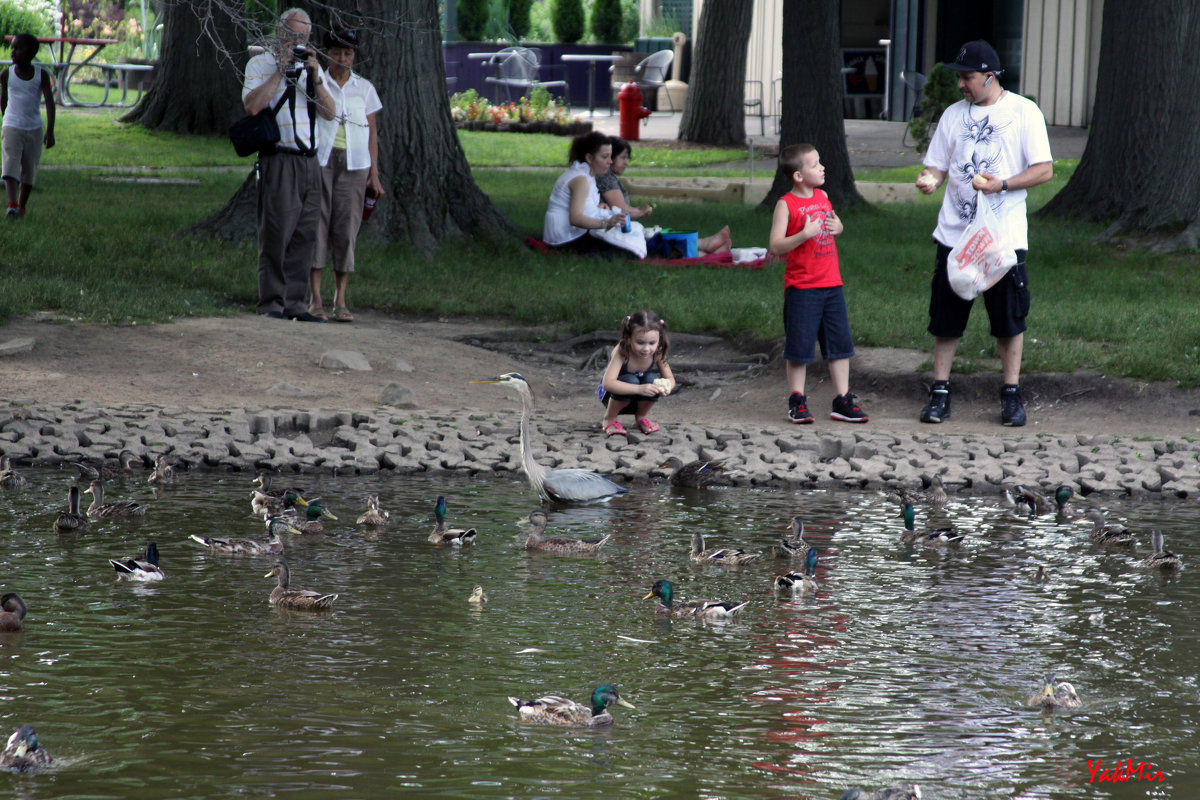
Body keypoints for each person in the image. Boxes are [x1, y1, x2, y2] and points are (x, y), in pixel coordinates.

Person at [914, 39, 1052, 427]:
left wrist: (1002, 184)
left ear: (990, 77)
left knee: (1009, 319)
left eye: (967, 77)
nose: (961, 84)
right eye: (959, 77)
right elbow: (937, 167)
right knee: (946, 318)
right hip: (955, 237)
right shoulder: (952, 116)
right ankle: (939, 392)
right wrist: (929, 178)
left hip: (1003, 238)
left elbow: (1044, 170)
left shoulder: (1025, 112)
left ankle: (1011, 394)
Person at [242, 7, 336, 322]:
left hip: (309, 160)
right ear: (279, 34)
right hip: (278, 159)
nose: (297, 41)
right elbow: (252, 106)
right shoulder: (259, 64)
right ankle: (271, 303)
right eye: (292, 35)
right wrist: (280, 71)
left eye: (303, 37)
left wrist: (316, 78)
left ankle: (296, 304)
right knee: (276, 232)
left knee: (305, 234)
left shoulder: (313, 68)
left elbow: (330, 113)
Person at [768, 143, 868, 425]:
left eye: (820, 162)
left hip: (832, 284)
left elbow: (833, 225)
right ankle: (797, 400)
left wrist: (840, 228)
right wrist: (804, 234)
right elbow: (775, 246)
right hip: (802, 288)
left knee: (840, 346)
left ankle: (842, 400)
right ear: (798, 175)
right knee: (799, 348)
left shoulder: (823, 196)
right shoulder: (786, 204)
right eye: (814, 164)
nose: (822, 167)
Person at [308, 28, 383, 323]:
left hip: (355, 166)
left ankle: (340, 299)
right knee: (317, 225)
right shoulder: (316, 81)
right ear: (327, 53)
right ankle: (315, 299)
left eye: (348, 54)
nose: (342, 58)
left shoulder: (364, 88)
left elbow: (372, 131)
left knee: (346, 230)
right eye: (337, 53)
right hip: (322, 162)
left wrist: (374, 173)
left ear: (354, 56)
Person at [598, 136, 731, 254]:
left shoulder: (607, 177)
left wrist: (640, 210)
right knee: (658, 238)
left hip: (614, 231)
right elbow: (622, 210)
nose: (626, 162)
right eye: (622, 157)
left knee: (657, 235)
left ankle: (706, 248)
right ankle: (706, 246)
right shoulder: (606, 178)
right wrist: (640, 211)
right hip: (613, 234)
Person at [543, 131, 632, 258]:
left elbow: (578, 206)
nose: (610, 161)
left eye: (610, 156)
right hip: (565, 239)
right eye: (604, 157)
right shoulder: (580, 180)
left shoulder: (584, 174)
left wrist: (598, 209)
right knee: (625, 248)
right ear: (589, 158)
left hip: (566, 236)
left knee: (624, 239)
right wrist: (606, 223)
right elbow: (576, 218)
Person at [1, 33, 55, 219]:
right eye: (12, 48)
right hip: (12, 125)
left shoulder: (41, 75)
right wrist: (6, 118)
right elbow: (3, 98)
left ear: (31, 53)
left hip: (34, 128)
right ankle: (12, 203)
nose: (13, 52)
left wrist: (50, 130)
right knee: (10, 164)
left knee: (29, 169)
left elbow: (49, 102)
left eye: (18, 48)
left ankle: (22, 206)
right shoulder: (7, 74)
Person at [598, 310, 675, 436]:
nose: (646, 348)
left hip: (639, 397)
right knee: (630, 379)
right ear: (629, 339)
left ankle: (641, 417)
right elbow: (607, 383)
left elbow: (670, 379)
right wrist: (639, 389)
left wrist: (667, 387)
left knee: (652, 379)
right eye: (640, 343)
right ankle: (609, 419)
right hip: (612, 396)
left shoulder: (658, 351)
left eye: (652, 343)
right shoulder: (622, 351)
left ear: (659, 339)